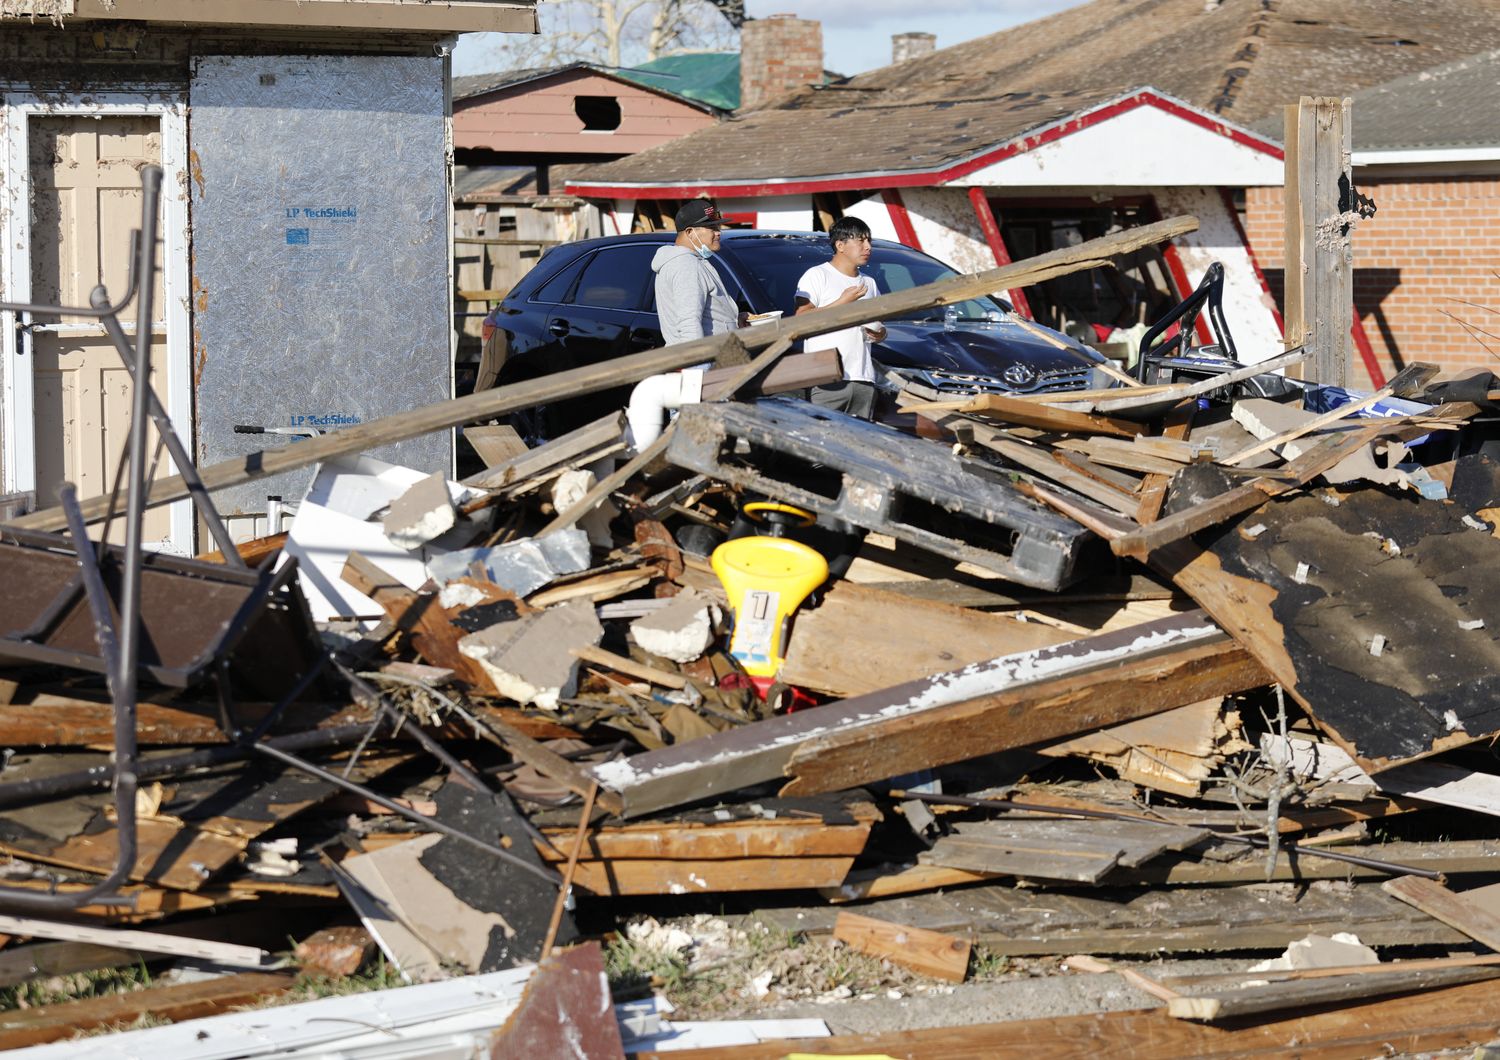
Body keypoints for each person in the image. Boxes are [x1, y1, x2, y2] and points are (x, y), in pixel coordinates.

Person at [793, 216, 886, 420]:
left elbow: (880, 327)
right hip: (826, 377)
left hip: (863, 378)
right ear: (840, 245)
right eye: (861, 241)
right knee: (822, 440)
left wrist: (879, 334)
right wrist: (843, 302)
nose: (868, 247)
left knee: (859, 443)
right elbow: (801, 319)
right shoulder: (817, 275)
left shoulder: (869, 283)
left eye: (869, 241)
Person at [651, 198, 739, 348]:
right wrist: (698, 366)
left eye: (718, 226)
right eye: (712, 227)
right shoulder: (686, 265)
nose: (719, 233)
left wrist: (734, 320)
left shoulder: (688, 261)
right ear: (690, 232)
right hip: (708, 360)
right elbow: (689, 323)